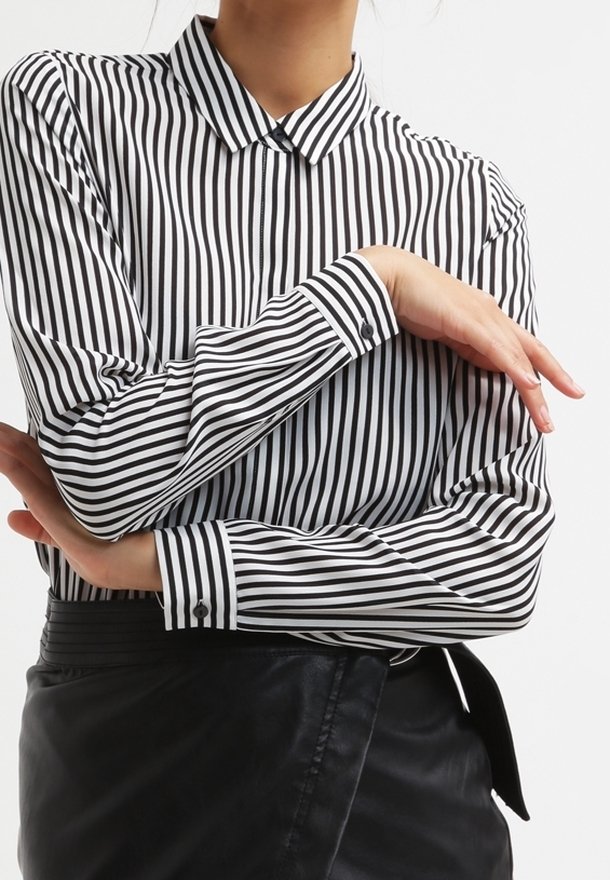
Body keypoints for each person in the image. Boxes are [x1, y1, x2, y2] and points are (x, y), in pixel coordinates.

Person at [0, 2, 585, 879]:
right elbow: (103, 475)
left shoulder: (468, 201)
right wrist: (372, 286)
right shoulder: (69, 106)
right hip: (142, 762)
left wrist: (166, 566)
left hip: (405, 773)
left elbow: (498, 567)